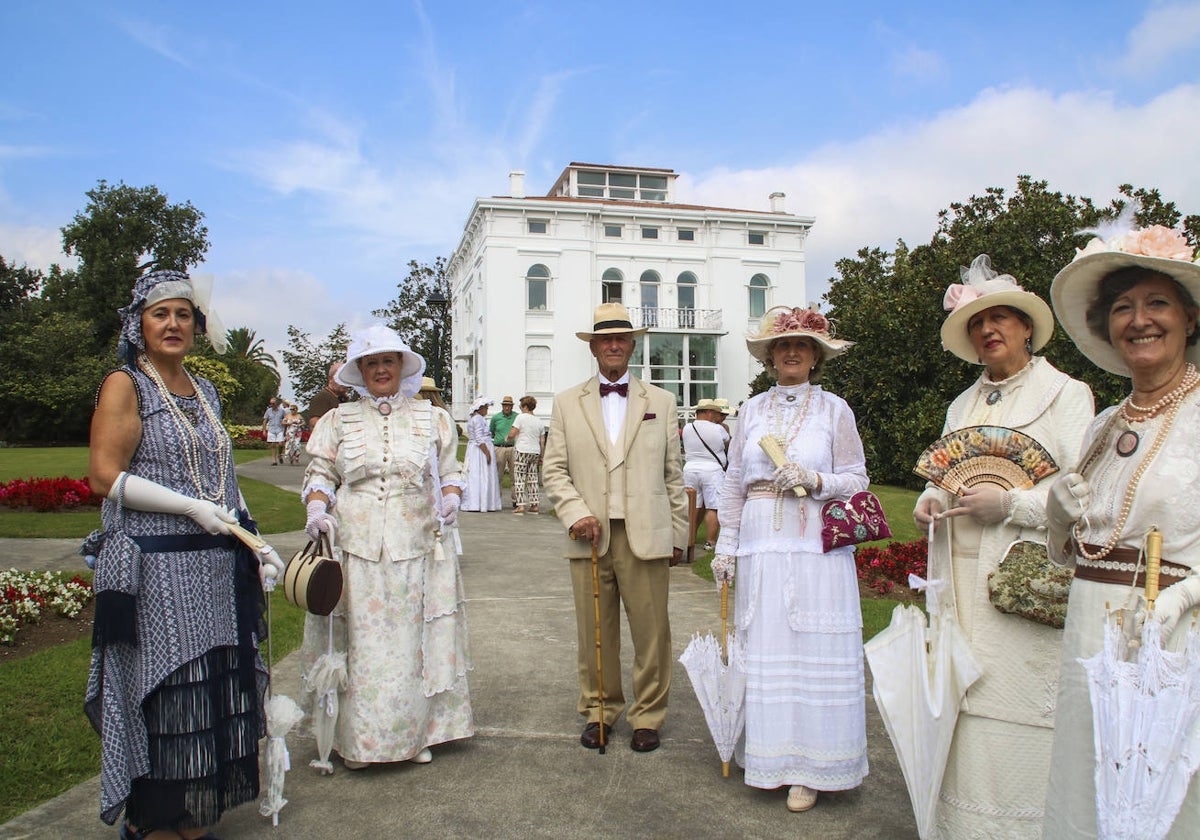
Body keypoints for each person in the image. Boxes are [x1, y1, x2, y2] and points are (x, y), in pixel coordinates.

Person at [85, 269, 285, 839]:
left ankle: (195, 820)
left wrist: (255, 540)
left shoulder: (206, 390)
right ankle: (153, 825)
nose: (173, 324)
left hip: (214, 570)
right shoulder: (126, 384)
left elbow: (221, 479)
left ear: (197, 326)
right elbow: (103, 475)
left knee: (214, 692)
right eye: (160, 314)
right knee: (170, 694)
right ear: (139, 324)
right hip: (157, 569)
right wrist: (188, 507)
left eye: (183, 315)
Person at [910, 255, 1094, 837]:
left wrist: (1011, 505)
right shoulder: (960, 406)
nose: (988, 329)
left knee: (1015, 701)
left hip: (1019, 573)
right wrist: (930, 501)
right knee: (960, 700)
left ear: (1025, 328)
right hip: (958, 577)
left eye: (1000, 319)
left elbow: (1081, 497)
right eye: (976, 322)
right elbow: (944, 475)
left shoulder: (1067, 395)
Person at [1042, 225, 1200, 838]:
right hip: (1090, 626)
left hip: (1174, 634)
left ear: (1189, 317)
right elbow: (1074, 553)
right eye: (1123, 308)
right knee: (1089, 783)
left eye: (1156, 303)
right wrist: (1059, 519)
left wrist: (1182, 600)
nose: (1139, 320)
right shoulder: (1104, 423)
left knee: (1159, 790)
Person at [711, 304, 867, 813]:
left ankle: (813, 767)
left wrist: (819, 480)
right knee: (769, 643)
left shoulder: (835, 409)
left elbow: (858, 479)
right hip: (761, 540)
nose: (793, 352)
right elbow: (734, 481)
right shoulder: (751, 410)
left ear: (816, 355)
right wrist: (727, 544)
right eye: (784, 345)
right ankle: (771, 756)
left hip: (814, 541)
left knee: (810, 648)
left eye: (803, 345)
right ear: (771, 356)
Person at [300, 324, 472, 770]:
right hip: (355, 549)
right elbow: (320, 474)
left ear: (401, 367)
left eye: (388, 361)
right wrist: (317, 509)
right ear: (360, 370)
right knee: (363, 645)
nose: (380, 369)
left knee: (410, 643)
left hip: (414, 547)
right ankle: (359, 741)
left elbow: (450, 472)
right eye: (371, 362)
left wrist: (451, 498)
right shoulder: (339, 420)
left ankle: (415, 734)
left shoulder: (431, 418)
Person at [542, 302, 688, 753]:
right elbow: (555, 470)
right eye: (604, 339)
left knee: (652, 633)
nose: (612, 345)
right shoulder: (567, 403)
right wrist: (574, 513)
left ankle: (648, 716)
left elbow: (673, 476)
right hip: (589, 536)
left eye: (620, 338)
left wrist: (679, 535)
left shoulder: (660, 402)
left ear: (631, 345)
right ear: (593, 347)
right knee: (594, 633)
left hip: (647, 533)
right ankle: (600, 711)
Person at [682, 398, 732, 550]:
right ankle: (710, 541)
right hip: (712, 470)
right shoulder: (719, 429)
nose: (719, 417)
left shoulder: (687, 427)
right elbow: (728, 443)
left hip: (690, 468)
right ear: (709, 413)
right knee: (714, 506)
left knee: (693, 505)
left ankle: (689, 537)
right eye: (717, 413)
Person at [506, 395, 547, 514]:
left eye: (520, 406)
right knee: (533, 478)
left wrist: (508, 438)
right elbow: (542, 441)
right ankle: (534, 505)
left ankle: (520, 505)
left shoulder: (521, 417)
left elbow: (513, 432)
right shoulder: (539, 422)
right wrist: (542, 456)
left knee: (519, 477)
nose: (520, 408)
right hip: (535, 451)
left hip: (522, 449)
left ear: (525, 406)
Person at [462, 396, 501, 512]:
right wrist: (487, 452)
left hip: (475, 449)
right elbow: (479, 438)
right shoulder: (478, 419)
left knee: (476, 475)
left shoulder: (475, 419)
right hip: (479, 451)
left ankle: (477, 502)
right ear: (480, 408)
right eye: (486, 408)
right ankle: (480, 503)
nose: (487, 410)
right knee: (481, 475)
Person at [490, 396, 518, 505]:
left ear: (512, 406)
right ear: (502, 406)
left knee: (515, 475)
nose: (507, 407)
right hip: (499, 447)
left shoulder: (517, 417)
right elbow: (491, 431)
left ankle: (515, 499)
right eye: (505, 405)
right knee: (498, 475)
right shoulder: (496, 418)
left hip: (512, 448)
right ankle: (497, 499)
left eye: (509, 405)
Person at [306, 362, 349, 430]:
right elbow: (314, 424)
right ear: (330, 378)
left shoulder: (341, 398)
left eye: (347, 378)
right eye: (340, 378)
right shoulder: (322, 397)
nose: (344, 382)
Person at [262, 396, 285, 464]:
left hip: (279, 429)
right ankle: (274, 460)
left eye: (273, 403)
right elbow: (265, 420)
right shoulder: (268, 411)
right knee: (272, 445)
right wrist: (264, 430)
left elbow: (285, 419)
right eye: (271, 403)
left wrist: (285, 423)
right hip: (271, 429)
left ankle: (280, 454)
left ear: (277, 404)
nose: (271, 405)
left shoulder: (282, 411)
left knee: (281, 444)